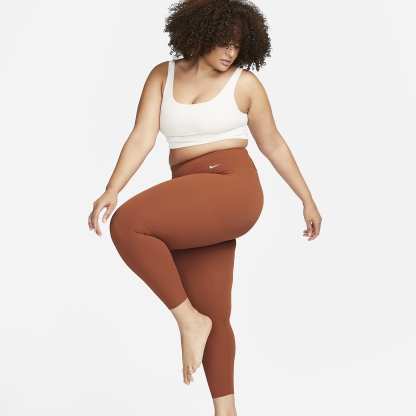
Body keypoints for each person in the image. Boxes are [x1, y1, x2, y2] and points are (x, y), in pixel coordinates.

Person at [88, 0, 322, 415]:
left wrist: (306, 198)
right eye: (223, 42)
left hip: (233, 188)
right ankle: (225, 410)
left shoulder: (245, 85)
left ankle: (187, 320)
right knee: (215, 311)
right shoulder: (162, 76)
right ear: (199, 34)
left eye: (238, 44)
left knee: (129, 225)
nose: (231, 52)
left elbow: (273, 144)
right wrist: (112, 188)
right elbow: (142, 136)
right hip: (193, 197)